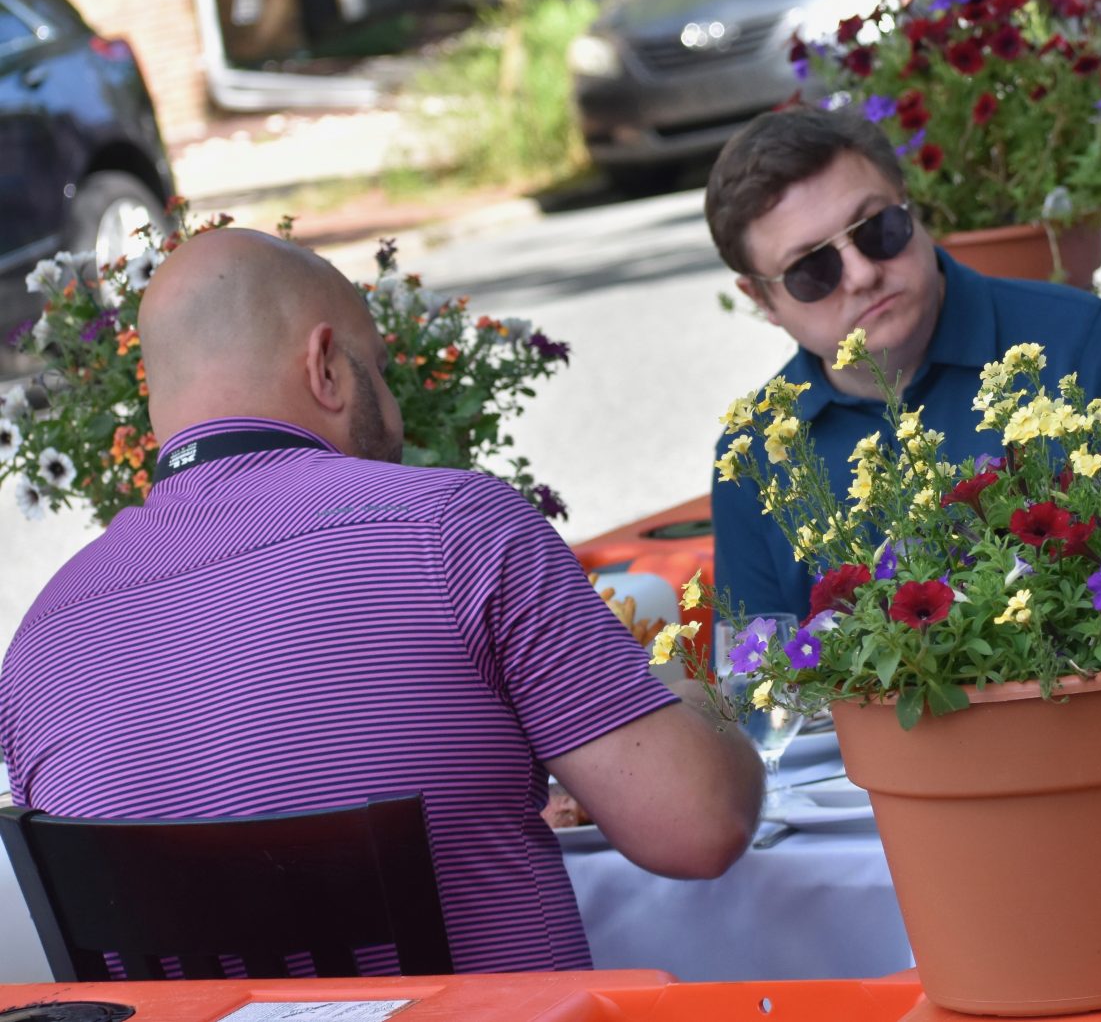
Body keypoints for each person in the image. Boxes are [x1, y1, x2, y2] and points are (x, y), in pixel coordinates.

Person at [0, 228, 763, 972]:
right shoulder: (454, 528)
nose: (393, 409)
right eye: (381, 367)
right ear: (326, 365)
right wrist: (690, 681)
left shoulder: (36, 648)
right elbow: (699, 828)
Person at [706, 105, 1101, 622]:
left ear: (914, 210)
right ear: (761, 300)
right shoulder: (756, 455)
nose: (862, 273)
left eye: (877, 229)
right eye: (811, 269)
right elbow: (759, 682)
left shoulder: (1086, 345)